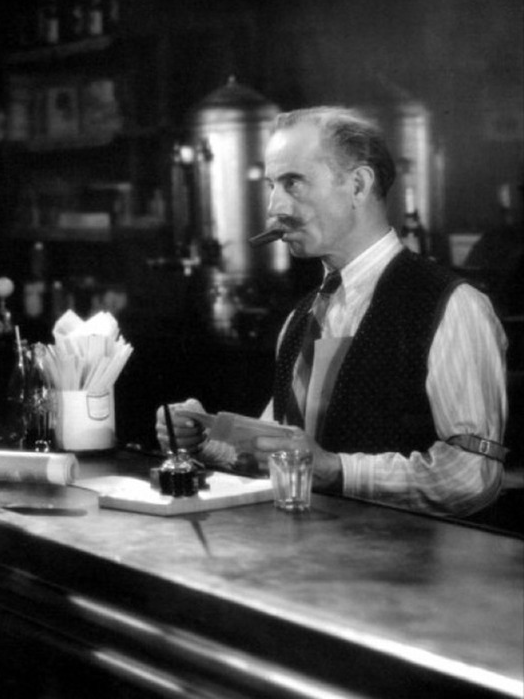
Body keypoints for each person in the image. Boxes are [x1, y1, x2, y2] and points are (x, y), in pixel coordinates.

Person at [159, 106, 508, 518]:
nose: (274, 208)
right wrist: (203, 438)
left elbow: (471, 476)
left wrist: (336, 470)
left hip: (408, 559)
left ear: (358, 185)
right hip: (310, 555)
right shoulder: (302, 317)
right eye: (272, 186)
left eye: (293, 183)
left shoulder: (452, 307)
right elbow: (280, 453)